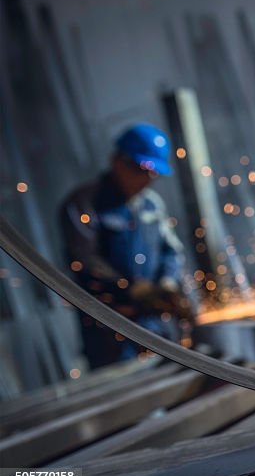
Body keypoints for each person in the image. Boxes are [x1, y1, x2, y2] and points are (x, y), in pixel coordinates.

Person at [59, 123, 192, 369]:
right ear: (117, 161)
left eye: (153, 173)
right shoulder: (83, 204)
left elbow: (171, 251)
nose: (148, 180)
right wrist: (132, 290)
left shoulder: (151, 205)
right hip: (111, 331)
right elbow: (84, 260)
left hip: (157, 326)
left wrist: (167, 283)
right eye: (142, 170)